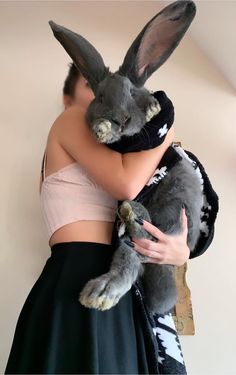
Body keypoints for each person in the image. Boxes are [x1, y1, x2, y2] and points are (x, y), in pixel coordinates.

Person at [4, 62, 190, 374]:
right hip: (81, 275)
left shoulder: (121, 149)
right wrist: (166, 126)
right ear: (67, 98)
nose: (105, 92)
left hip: (121, 284)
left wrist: (179, 250)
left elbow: (162, 210)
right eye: (92, 85)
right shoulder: (70, 118)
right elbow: (126, 182)